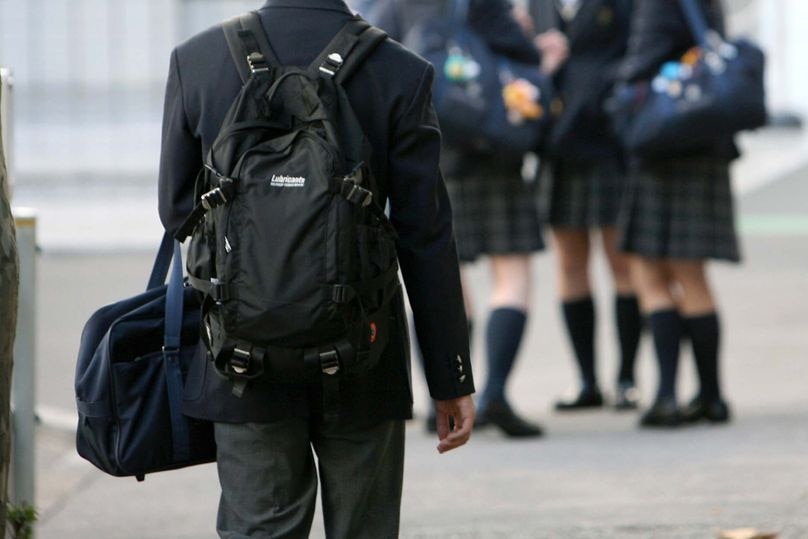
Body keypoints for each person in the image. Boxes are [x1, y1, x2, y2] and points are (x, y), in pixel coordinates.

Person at [157, 1, 476, 536]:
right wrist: (450, 376)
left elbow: (176, 211)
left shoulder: (199, 60)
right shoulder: (400, 71)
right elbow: (426, 237)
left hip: (241, 356)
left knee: (260, 528)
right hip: (363, 354)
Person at [369, 0, 568, 438]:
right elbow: (523, 58)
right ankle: (494, 392)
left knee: (440, 280)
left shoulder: (396, 5)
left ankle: (439, 397)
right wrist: (540, 50)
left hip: (427, 154)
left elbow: (377, 60)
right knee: (511, 276)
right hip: (492, 151)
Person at [616, 0, 736, 428]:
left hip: (663, 147)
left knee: (649, 272)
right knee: (693, 274)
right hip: (705, 142)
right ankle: (712, 395)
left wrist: (619, 84)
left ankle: (667, 394)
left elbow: (641, 63)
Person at [528, 0, 642, 411]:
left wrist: (593, 89)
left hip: (607, 143)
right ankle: (586, 380)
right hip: (558, 145)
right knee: (570, 263)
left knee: (622, 263)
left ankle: (627, 378)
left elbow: (637, 51)